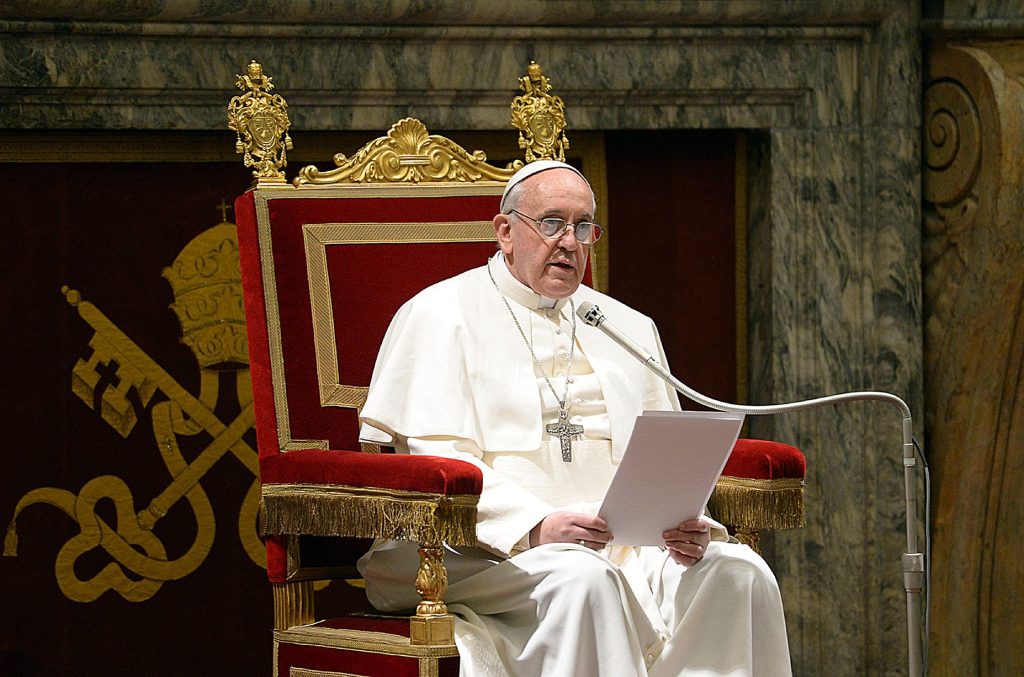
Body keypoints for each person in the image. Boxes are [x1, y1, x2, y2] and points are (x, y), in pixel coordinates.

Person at [357, 160, 792, 676]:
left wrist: (683, 522)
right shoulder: (439, 314)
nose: (569, 242)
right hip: (477, 550)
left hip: (621, 545)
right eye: (551, 223)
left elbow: (659, 456)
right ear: (505, 232)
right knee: (585, 580)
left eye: (584, 227)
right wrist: (535, 525)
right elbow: (434, 460)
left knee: (739, 571)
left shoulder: (622, 325)